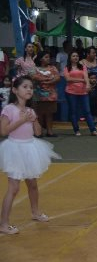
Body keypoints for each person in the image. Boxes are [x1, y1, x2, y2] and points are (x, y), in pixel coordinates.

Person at [0, 76, 61, 234]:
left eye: (31, 87)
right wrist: (21, 120)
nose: (29, 90)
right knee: (14, 188)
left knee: (33, 184)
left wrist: (34, 120)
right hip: (15, 149)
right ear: (15, 90)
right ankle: (3, 224)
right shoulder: (9, 109)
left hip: (30, 148)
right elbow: (3, 131)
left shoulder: (30, 110)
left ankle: (35, 212)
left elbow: (38, 133)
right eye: (25, 87)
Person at [64, 51, 97, 136]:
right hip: (71, 92)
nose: (75, 57)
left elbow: (86, 77)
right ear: (70, 58)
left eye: (77, 56)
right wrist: (82, 80)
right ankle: (76, 130)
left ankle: (93, 130)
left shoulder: (82, 66)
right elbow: (68, 79)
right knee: (73, 111)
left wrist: (87, 84)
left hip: (83, 92)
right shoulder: (67, 68)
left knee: (87, 111)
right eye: (73, 56)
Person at [32, 51, 60, 137]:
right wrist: (47, 79)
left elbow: (57, 77)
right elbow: (33, 76)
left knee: (50, 113)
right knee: (39, 113)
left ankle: (49, 131)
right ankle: (39, 131)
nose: (48, 59)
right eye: (46, 57)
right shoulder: (35, 68)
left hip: (51, 94)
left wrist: (48, 82)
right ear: (41, 59)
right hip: (38, 94)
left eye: (49, 57)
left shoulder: (53, 68)